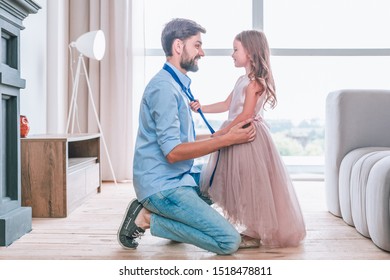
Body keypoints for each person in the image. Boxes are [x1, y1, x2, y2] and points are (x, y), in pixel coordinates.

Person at [117, 18, 257, 255]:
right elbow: (173, 153)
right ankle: (147, 217)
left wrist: (224, 136)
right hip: (162, 187)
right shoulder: (164, 89)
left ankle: (179, 220)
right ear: (179, 46)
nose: (202, 52)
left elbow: (185, 140)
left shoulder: (177, 85)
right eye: (197, 45)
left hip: (178, 177)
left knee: (226, 175)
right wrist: (226, 139)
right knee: (228, 241)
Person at [190, 30, 306, 248]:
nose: (232, 54)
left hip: (246, 136)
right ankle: (249, 228)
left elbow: (246, 114)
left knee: (252, 184)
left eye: (235, 50)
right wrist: (201, 107)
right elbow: (227, 105)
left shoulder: (255, 83)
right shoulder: (242, 80)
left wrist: (222, 134)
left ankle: (254, 231)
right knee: (241, 183)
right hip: (236, 132)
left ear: (250, 53)